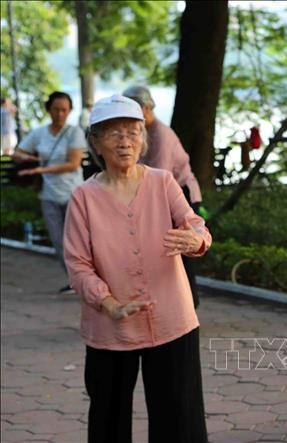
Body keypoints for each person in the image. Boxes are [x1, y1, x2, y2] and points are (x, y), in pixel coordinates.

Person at [63, 94, 210, 442]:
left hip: (172, 319)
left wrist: (197, 240)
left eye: (133, 132)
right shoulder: (83, 197)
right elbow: (77, 264)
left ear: (144, 139)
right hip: (109, 325)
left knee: (180, 416)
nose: (125, 141)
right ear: (95, 142)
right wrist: (109, 303)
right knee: (108, 417)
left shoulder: (162, 181)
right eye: (113, 133)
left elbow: (194, 224)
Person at [122, 86, 204, 308]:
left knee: (182, 248)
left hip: (181, 195)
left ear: (146, 108)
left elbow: (158, 176)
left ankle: (188, 303)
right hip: (164, 195)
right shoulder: (143, 132)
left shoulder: (162, 135)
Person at [13, 91, 86, 294]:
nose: (60, 114)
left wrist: (41, 169)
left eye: (64, 110)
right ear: (49, 109)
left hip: (73, 193)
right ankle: (74, 280)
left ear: (70, 111)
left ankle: (86, 280)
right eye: (56, 109)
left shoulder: (74, 133)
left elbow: (73, 164)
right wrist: (27, 158)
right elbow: (18, 152)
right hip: (49, 195)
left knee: (78, 240)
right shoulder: (40, 133)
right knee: (58, 241)